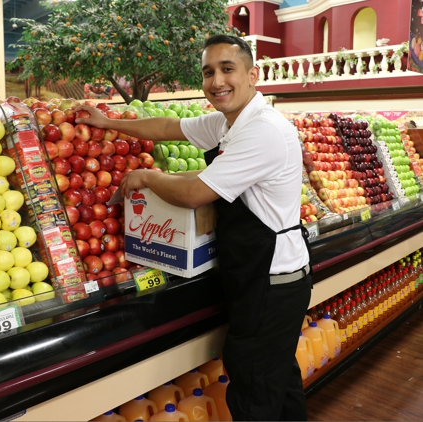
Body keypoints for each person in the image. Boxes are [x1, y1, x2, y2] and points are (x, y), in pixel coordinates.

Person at [75, 34, 312, 421]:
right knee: (276, 381)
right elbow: (170, 126)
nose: (216, 80)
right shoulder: (230, 122)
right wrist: (108, 123)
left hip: (271, 282)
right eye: (208, 72)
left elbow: (195, 193)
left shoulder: (262, 130)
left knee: (254, 392)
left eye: (227, 69)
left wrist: (147, 176)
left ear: (253, 75)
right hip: (265, 275)